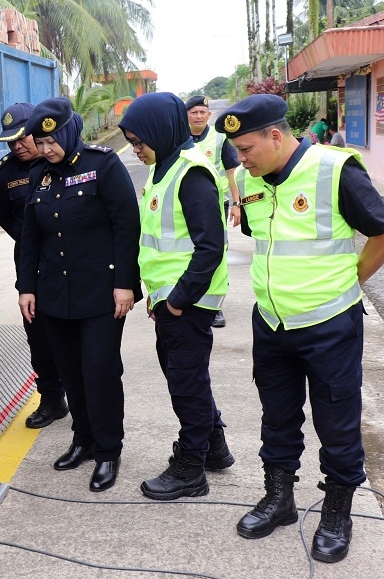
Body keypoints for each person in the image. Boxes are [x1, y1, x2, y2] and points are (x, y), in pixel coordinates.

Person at [215, 94, 384, 563]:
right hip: (272, 323)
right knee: (277, 418)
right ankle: (279, 499)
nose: (241, 160)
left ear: (275, 136)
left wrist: (349, 282)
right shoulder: (254, 182)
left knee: (337, 424)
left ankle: (337, 512)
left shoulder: (335, 171)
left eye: (247, 149)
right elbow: (270, 241)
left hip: (329, 325)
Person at [16, 96, 142, 492]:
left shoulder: (103, 165)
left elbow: (127, 226)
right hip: (55, 295)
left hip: (100, 295)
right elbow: (30, 237)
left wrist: (126, 283)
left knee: (100, 372)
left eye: (52, 141)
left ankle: (108, 450)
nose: (47, 149)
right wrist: (26, 287)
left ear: (69, 132)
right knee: (71, 373)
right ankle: (83, 440)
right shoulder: (39, 174)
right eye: (41, 142)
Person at [119, 93, 235, 501]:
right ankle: (215, 449)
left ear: (160, 132)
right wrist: (160, 297)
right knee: (185, 377)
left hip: (188, 301)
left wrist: (178, 299)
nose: (136, 150)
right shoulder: (164, 168)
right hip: (171, 299)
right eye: (131, 142)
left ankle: (190, 469)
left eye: (139, 141)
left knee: (185, 385)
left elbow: (211, 246)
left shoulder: (192, 174)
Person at [0, 102, 69, 429]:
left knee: (74, 337)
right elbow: (2, 213)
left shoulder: (66, 162)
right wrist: (30, 240)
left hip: (69, 265)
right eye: (11, 142)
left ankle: (86, 400)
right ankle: (52, 401)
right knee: (38, 337)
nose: (18, 146)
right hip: (31, 267)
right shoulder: (5, 172)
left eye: (23, 138)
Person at [185, 95, 243, 328]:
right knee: (189, 253)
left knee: (216, 253)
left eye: (202, 112)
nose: (199, 116)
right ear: (186, 115)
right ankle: (191, 298)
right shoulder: (177, 137)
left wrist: (238, 204)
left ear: (209, 115)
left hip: (216, 205)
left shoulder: (220, 138)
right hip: (185, 207)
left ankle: (215, 306)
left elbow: (232, 172)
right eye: (194, 112)